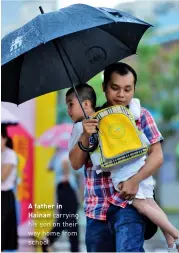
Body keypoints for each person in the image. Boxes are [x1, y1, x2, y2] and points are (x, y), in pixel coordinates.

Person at [66, 63, 178, 252]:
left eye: (128, 89)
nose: (121, 95)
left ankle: (172, 237)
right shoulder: (90, 121)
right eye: (115, 88)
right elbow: (76, 163)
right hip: (96, 209)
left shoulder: (141, 115)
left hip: (128, 205)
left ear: (134, 88)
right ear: (104, 88)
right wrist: (85, 134)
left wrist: (135, 181)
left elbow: (157, 156)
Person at [41, 148, 79, 252]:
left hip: (61, 187)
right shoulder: (66, 152)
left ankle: (48, 239)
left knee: (66, 219)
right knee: (70, 218)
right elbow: (65, 162)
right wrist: (66, 173)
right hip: (67, 186)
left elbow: (49, 167)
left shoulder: (57, 153)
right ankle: (73, 248)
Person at [1, 126, 18, 252]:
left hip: (4, 196)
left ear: (5, 139)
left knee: (3, 231)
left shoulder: (10, 154)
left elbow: (2, 177)